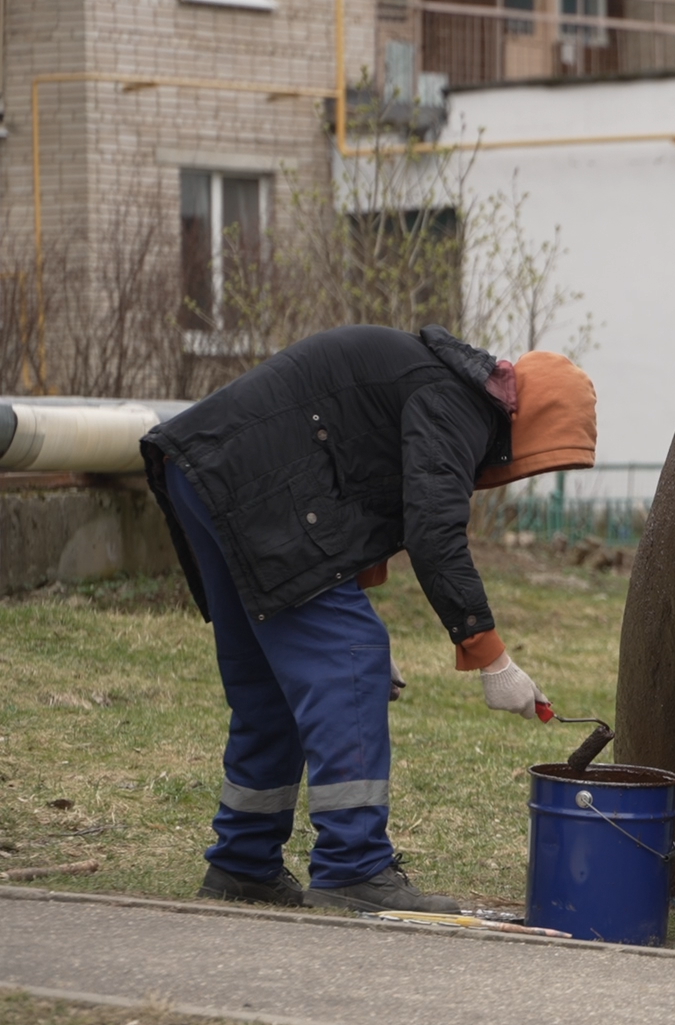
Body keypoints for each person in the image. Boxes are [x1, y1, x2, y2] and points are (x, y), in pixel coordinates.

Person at [141, 324, 596, 912]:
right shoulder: (456, 403)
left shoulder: (431, 382)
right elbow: (434, 533)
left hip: (206, 468)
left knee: (269, 687)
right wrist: (492, 658)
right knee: (350, 662)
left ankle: (243, 862)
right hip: (256, 483)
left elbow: (354, 495)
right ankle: (352, 868)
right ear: (537, 420)